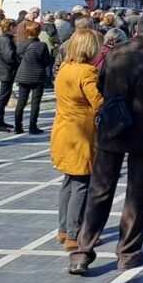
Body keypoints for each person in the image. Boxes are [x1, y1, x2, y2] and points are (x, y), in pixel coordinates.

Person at [69, 12, 143, 275]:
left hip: (113, 125)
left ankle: (82, 252)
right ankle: (128, 252)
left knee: (100, 188)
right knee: (136, 190)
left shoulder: (115, 52)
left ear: (135, 28)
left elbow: (101, 83)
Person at [50, 29, 104, 251]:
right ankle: (75, 234)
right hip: (81, 132)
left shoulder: (65, 68)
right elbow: (99, 101)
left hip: (63, 129)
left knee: (69, 182)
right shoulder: (87, 72)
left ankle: (63, 229)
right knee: (82, 183)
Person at [14, 21, 53, 134]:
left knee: (21, 101)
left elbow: (17, 58)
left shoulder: (21, 44)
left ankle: (18, 126)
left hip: (23, 74)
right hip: (37, 75)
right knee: (35, 102)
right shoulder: (41, 45)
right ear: (38, 32)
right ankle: (32, 126)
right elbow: (47, 61)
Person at [0, 19, 18, 132]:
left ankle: (0, 120)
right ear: (11, 27)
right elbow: (9, 56)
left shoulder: (3, 38)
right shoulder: (6, 40)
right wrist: (18, 56)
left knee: (4, 96)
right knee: (3, 97)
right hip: (6, 71)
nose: (17, 29)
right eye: (15, 27)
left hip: (4, 70)